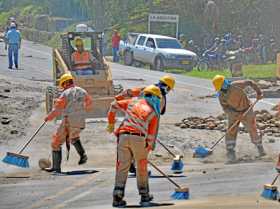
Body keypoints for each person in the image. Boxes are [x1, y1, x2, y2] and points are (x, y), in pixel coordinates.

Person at [107, 85, 161, 207]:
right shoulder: (153, 112)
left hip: (123, 136)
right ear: (154, 97)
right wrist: (147, 149)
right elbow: (151, 137)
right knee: (141, 166)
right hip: (139, 137)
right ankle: (145, 197)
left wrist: (111, 123)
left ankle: (117, 196)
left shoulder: (131, 102)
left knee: (122, 166)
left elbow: (113, 105)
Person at [115, 75, 175, 175]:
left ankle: (127, 165)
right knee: (144, 147)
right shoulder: (161, 98)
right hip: (147, 125)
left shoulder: (146, 89)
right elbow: (157, 114)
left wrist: (118, 97)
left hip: (132, 119)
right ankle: (139, 169)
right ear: (167, 87)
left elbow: (129, 92)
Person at [44, 73, 93, 173]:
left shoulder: (65, 94)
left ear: (66, 83)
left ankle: (56, 169)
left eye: (63, 85)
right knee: (74, 137)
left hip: (69, 121)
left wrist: (48, 117)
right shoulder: (83, 91)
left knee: (56, 143)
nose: (62, 87)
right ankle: (83, 155)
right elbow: (89, 104)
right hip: (81, 121)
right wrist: (80, 111)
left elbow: (57, 110)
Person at [212, 75, 266, 163]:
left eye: (222, 87)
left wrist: (259, 93)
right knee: (231, 130)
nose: (222, 89)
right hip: (234, 112)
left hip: (247, 109)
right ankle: (230, 152)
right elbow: (226, 108)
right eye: (220, 88)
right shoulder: (221, 95)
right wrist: (236, 115)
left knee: (252, 129)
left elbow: (250, 82)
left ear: (225, 83)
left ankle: (260, 149)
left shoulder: (236, 85)